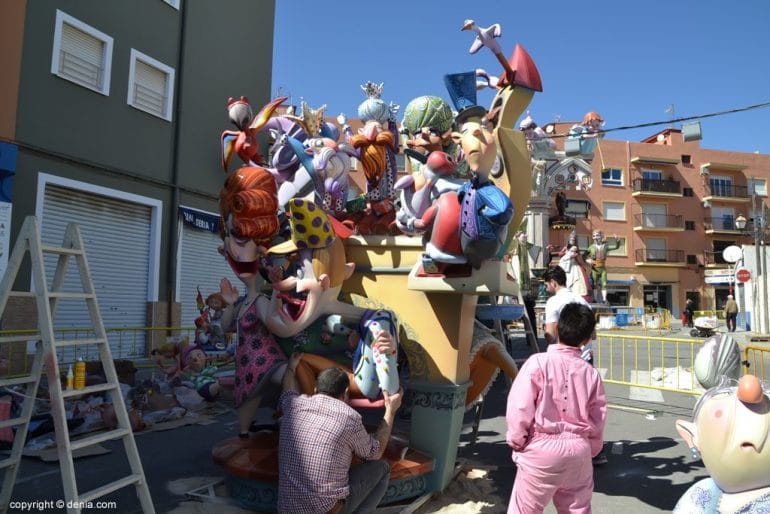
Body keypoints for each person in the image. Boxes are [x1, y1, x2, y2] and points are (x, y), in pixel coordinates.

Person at [505, 302, 607, 513]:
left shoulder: (537, 363)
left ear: (558, 328)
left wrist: (517, 441)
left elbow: (519, 406)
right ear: (587, 339)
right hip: (579, 451)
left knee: (525, 509)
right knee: (578, 509)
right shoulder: (590, 373)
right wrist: (590, 449)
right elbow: (597, 417)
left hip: (541, 449)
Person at [277, 354, 403, 514]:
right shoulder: (349, 417)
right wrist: (390, 411)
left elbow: (287, 389)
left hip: (287, 509)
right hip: (325, 510)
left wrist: (291, 367)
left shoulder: (293, 405)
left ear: (315, 389)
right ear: (346, 393)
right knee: (381, 467)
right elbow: (374, 453)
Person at [583, 230, 620, 304]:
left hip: (603, 268)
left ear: (601, 236)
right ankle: (594, 299)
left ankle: (604, 299)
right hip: (594, 269)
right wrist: (587, 260)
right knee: (594, 284)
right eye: (594, 236)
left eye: (597, 235)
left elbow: (616, 247)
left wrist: (617, 240)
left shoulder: (605, 246)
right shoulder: (591, 247)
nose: (596, 237)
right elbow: (584, 256)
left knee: (604, 284)